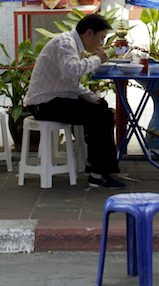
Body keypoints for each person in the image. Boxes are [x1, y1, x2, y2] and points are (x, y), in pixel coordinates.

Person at [24, 13, 125, 189]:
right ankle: (98, 174)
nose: (101, 43)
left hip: (55, 100)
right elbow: (72, 71)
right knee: (102, 116)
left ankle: (95, 167)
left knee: (101, 109)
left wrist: (94, 98)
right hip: (44, 105)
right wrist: (97, 59)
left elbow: (72, 85)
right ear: (89, 33)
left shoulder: (72, 45)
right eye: (101, 38)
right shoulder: (65, 43)